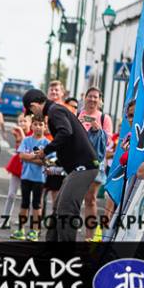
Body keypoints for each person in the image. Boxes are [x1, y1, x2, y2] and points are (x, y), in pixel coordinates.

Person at [21, 88, 98, 242]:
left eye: (31, 111)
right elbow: (67, 142)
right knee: (58, 208)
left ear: (34, 105)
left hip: (84, 167)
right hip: (78, 167)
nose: (33, 114)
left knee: (66, 209)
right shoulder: (56, 110)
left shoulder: (55, 111)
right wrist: (55, 162)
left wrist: (45, 151)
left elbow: (65, 132)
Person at [11, 116, 48, 241]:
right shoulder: (26, 140)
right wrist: (36, 156)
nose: (38, 127)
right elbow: (21, 156)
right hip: (26, 177)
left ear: (45, 127)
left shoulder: (47, 143)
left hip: (39, 179)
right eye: (35, 124)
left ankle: (35, 231)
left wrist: (31, 157)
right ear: (31, 126)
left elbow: (47, 162)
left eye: (40, 124)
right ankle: (21, 229)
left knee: (37, 205)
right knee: (24, 203)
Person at [79, 88, 109, 240]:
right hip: (78, 161)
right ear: (85, 98)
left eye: (95, 97)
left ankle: (89, 237)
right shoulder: (78, 115)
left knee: (90, 199)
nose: (92, 99)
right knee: (75, 198)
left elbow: (108, 142)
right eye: (89, 96)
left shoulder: (104, 118)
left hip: (95, 163)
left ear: (100, 100)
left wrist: (99, 130)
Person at [1, 113, 28, 219]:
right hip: (17, 165)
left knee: (26, 196)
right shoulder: (17, 133)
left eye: (25, 121)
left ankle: (22, 218)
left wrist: (21, 132)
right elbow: (19, 149)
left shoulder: (32, 134)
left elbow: (28, 146)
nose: (22, 123)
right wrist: (19, 135)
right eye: (20, 121)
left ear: (30, 123)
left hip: (29, 167)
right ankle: (5, 218)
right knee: (11, 194)